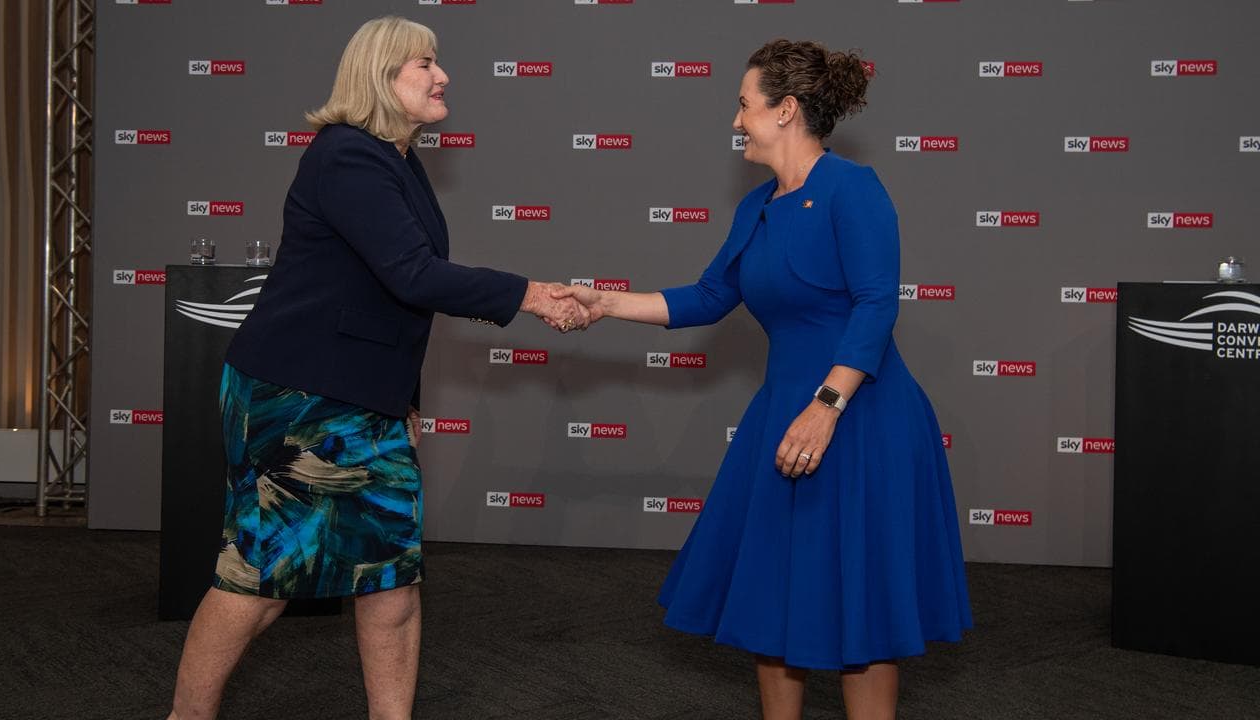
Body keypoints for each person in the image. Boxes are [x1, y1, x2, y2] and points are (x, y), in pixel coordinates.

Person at [167, 16, 586, 720]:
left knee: (390, 580)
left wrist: (403, 399)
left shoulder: (398, 161)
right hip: (297, 396)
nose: (442, 73)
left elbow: (388, 299)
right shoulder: (347, 156)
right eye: (423, 63)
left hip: (364, 400)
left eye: (437, 61)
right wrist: (531, 294)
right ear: (379, 76)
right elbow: (413, 275)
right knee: (264, 578)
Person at [556, 39, 972, 720]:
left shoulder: (853, 190)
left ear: (784, 111)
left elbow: (876, 304)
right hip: (785, 415)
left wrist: (827, 405)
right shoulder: (756, 208)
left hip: (860, 419)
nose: (735, 119)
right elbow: (707, 297)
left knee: (860, 617)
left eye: (744, 104)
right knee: (778, 598)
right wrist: (606, 303)